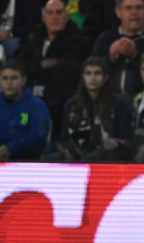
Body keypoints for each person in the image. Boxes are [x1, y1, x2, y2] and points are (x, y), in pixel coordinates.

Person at [17, 0, 91, 142]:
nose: (54, 17)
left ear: (67, 16)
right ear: (44, 17)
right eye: (50, 13)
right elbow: (20, 65)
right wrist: (41, 65)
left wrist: (37, 68)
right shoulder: (33, 37)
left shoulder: (77, 40)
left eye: (59, 12)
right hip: (30, 94)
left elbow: (67, 69)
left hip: (58, 98)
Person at [91, 0, 144, 101]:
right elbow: (90, 73)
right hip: (108, 102)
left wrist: (136, 57)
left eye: (139, 8)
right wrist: (110, 57)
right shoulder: (105, 38)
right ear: (118, 12)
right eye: (128, 8)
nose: (134, 12)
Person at [59, 57, 133, 161]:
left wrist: (114, 143)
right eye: (88, 73)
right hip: (77, 158)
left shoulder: (119, 104)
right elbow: (65, 138)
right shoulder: (71, 104)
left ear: (105, 77)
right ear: (83, 77)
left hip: (109, 158)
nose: (92, 78)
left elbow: (125, 139)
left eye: (97, 73)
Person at [0, 59, 51, 161]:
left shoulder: (36, 105)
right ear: (0, 81)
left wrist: (11, 148)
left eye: (14, 78)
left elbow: (38, 137)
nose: (9, 83)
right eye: (5, 78)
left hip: (26, 155)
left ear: (24, 80)